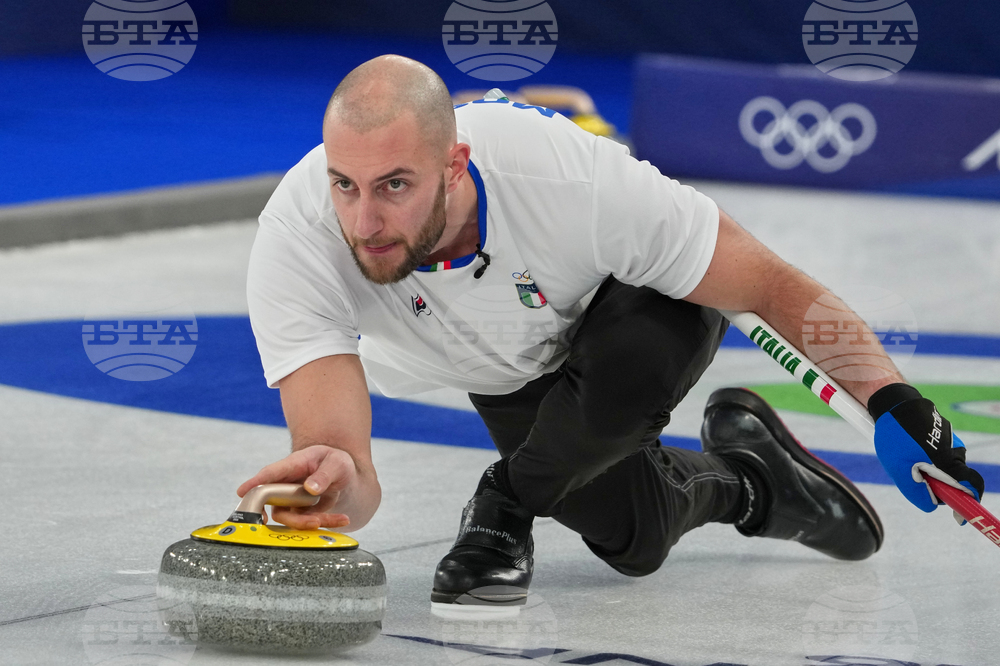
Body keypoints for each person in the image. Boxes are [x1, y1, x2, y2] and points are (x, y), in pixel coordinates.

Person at [238, 55, 985, 612]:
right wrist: (324, 491)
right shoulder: (298, 240)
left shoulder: (568, 180)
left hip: (633, 306)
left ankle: (505, 501)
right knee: (632, 539)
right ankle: (757, 480)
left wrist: (891, 394)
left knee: (612, 393)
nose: (365, 222)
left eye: (395, 185)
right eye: (345, 184)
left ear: (455, 164)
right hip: (508, 367)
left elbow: (772, 286)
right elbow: (347, 468)